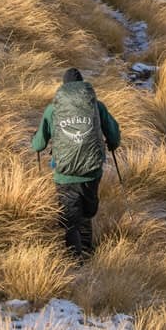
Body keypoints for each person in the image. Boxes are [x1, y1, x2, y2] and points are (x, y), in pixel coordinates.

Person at [31, 67, 122, 260]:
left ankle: (74, 261)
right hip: (92, 171)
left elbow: (39, 144)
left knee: (70, 217)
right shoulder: (97, 106)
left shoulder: (53, 109)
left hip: (64, 172)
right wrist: (112, 144)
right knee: (86, 213)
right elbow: (113, 134)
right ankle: (87, 253)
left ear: (64, 88)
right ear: (83, 86)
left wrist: (35, 142)